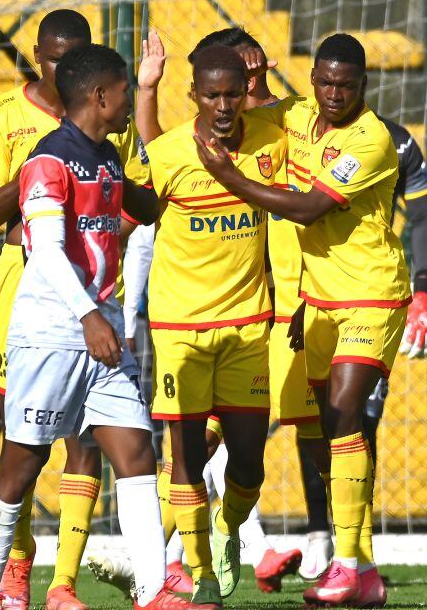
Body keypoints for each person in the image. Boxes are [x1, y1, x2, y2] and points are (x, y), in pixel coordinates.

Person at [0, 43, 199, 610]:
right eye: (120, 90)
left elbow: (122, 212)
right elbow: (43, 249)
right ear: (99, 96)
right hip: (51, 335)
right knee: (23, 466)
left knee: (137, 455)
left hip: (103, 330)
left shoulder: (108, 155)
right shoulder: (47, 160)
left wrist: (161, 192)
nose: (122, 100)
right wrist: (89, 315)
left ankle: (150, 591)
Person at [195, 33, 409, 608]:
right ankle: (361, 575)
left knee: (343, 419)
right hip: (316, 302)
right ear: (312, 78)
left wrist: (228, 176)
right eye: (326, 81)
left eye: (347, 84)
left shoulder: (370, 139)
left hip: (372, 295)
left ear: (363, 86)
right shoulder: (301, 116)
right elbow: (255, 108)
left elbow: (308, 208)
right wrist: (247, 72)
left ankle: (344, 564)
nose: (335, 93)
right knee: (324, 436)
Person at [129, 44, 288, 608]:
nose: (223, 105)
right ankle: (202, 580)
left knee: (249, 461)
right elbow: (126, 219)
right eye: (212, 94)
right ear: (193, 95)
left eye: (233, 93)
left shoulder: (274, 142)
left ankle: (228, 531)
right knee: (187, 458)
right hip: (179, 330)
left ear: (246, 92)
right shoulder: (168, 154)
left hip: (248, 326)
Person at [296, 115, 427, 581]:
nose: (335, 93)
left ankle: (356, 553)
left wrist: (425, 291)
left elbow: (423, 214)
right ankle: (320, 533)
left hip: (367, 297)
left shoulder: (393, 143)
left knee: (355, 417)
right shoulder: (295, 133)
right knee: (312, 417)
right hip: (300, 296)